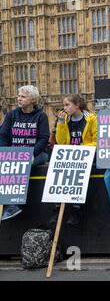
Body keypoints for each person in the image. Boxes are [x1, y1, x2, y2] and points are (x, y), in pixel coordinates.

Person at [0, 85, 50, 221]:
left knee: (23, 163)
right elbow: (3, 136)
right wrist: (5, 153)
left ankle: (13, 204)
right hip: (15, 154)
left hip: (37, 154)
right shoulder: (11, 115)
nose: (19, 99)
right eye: (18, 96)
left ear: (32, 100)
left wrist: (29, 153)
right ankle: (8, 204)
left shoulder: (41, 116)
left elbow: (44, 139)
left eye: (23, 96)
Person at [54, 94, 97, 225]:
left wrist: (83, 148)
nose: (64, 108)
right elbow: (60, 142)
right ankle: (57, 208)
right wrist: (60, 123)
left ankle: (76, 208)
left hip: (86, 154)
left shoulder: (91, 119)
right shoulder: (65, 120)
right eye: (64, 105)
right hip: (70, 155)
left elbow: (98, 141)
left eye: (67, 105)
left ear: (77, 105)